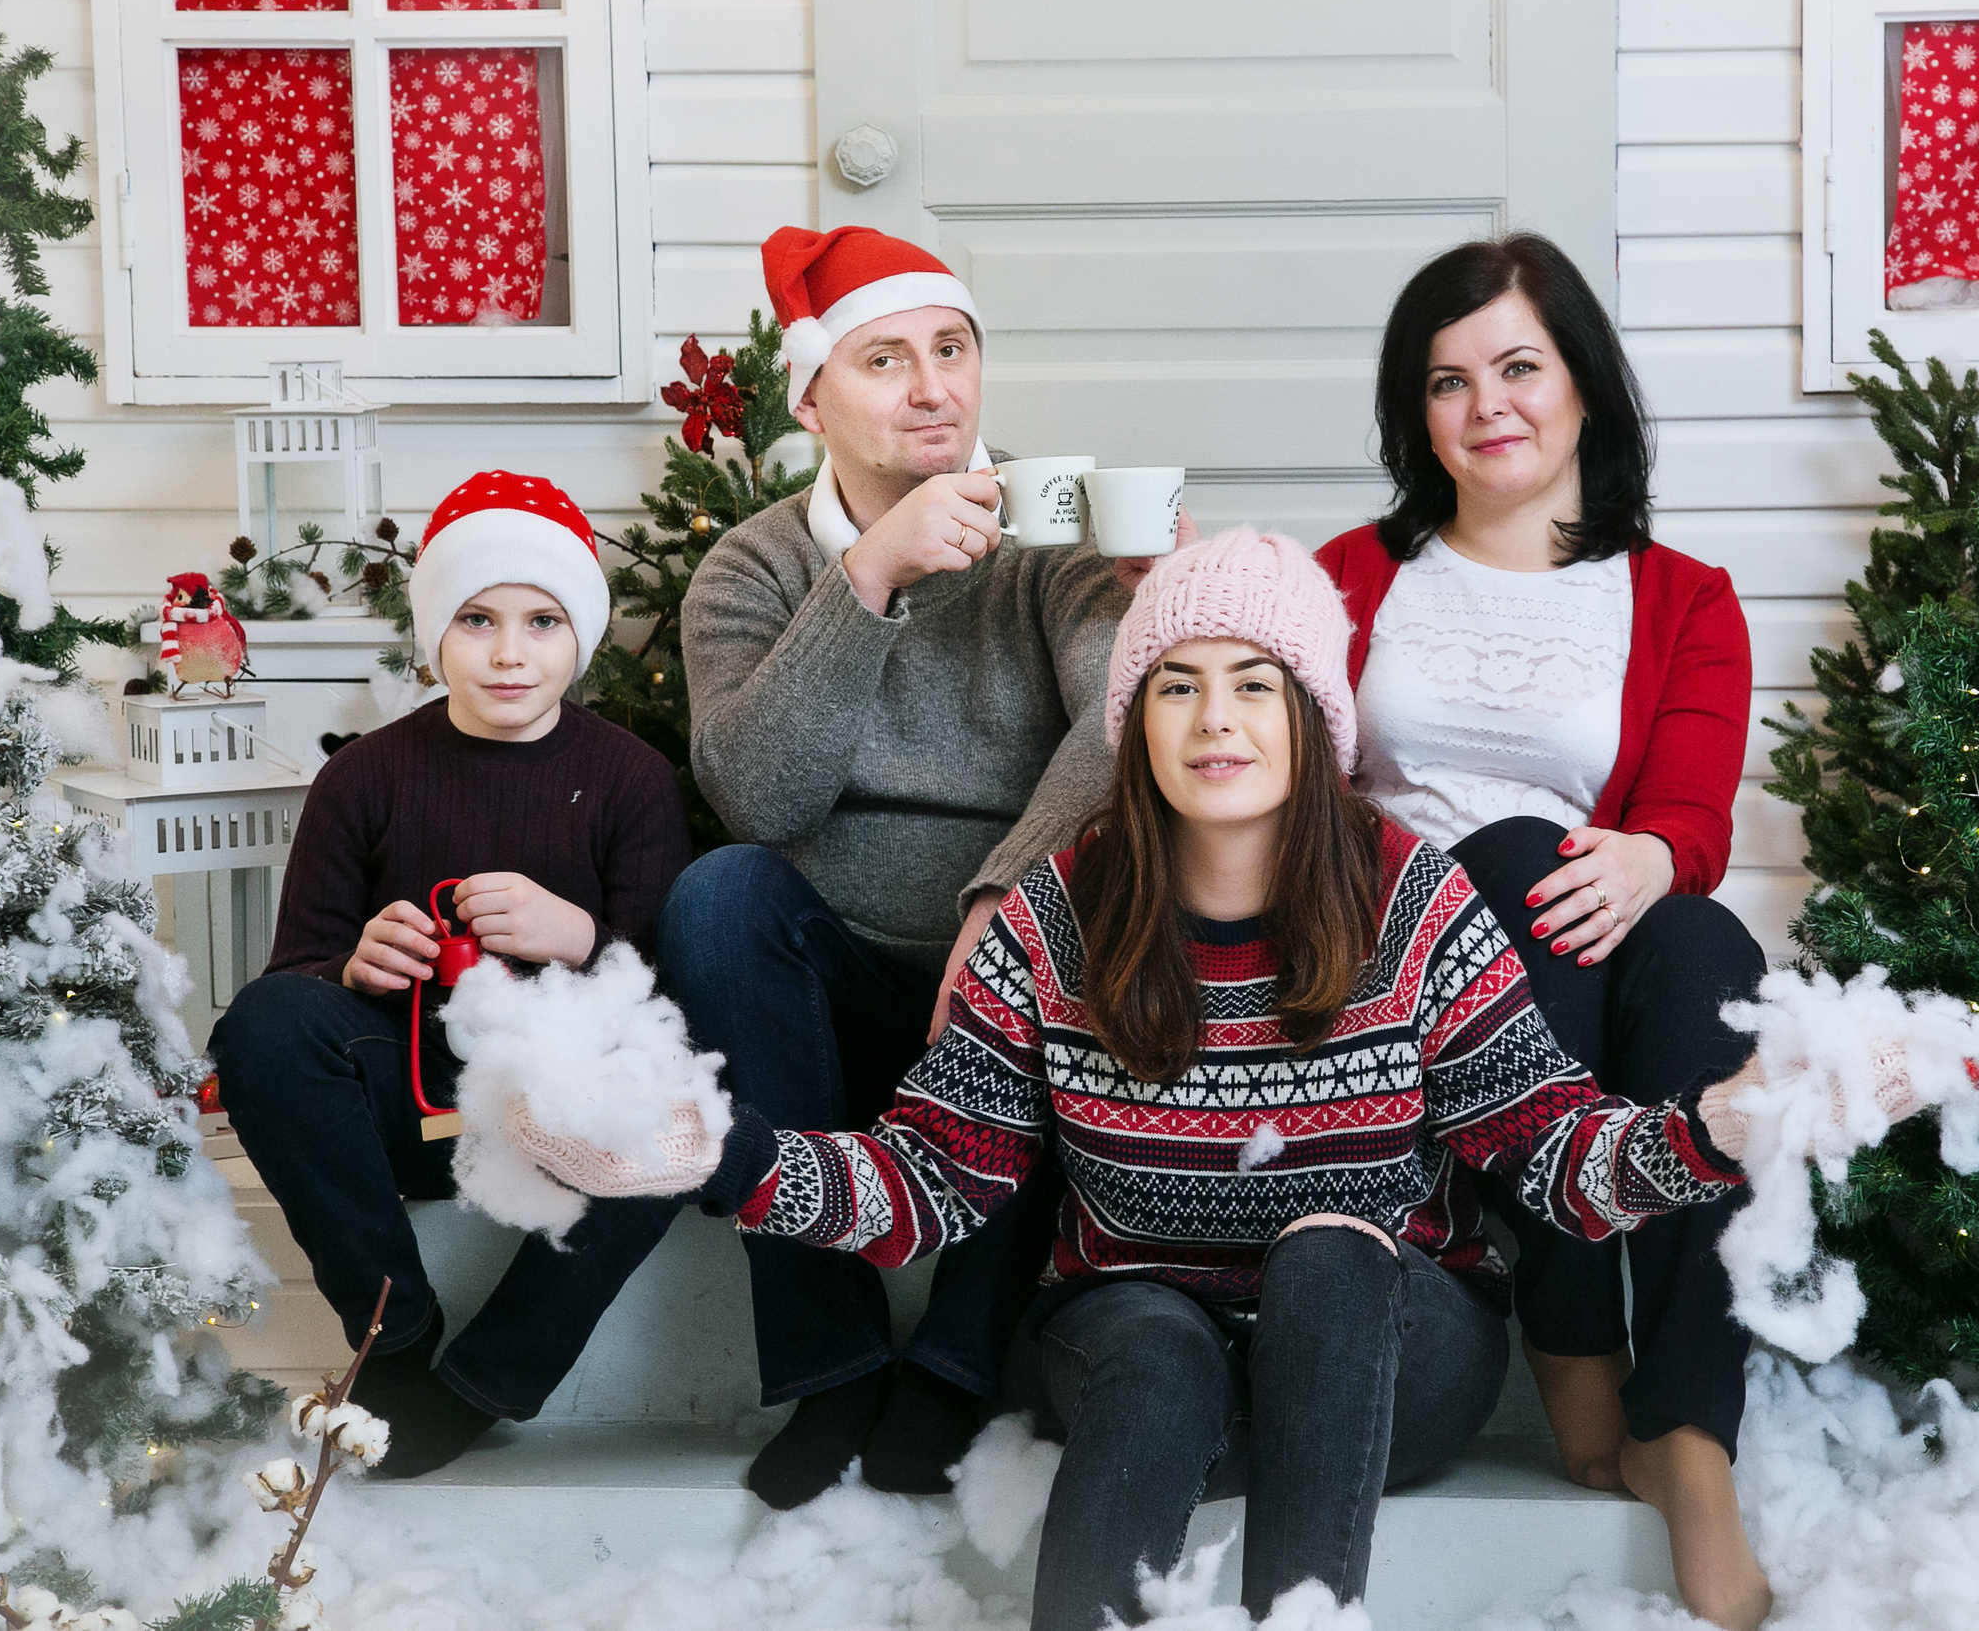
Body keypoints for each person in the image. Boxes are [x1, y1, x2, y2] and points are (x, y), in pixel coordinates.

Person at [517, 529, 1824, 1629]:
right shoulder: (1053, 921)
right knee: (1145, 1339)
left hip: (1388, 1347)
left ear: (1313, 720)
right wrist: (718, 1151)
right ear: (1135, 718)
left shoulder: (1412, 903)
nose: (1217, 720)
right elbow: (927, 1180)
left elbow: (1550, 1150)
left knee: (1329, 1246)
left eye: (1257, 684)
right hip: (1142, 1341)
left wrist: (1710, 1133)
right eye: (1179, 684)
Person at [1316, 232, 1770, 1630]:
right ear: (1418, 412)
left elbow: (1691, 818)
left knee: (1713, 956)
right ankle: (1576, 1338)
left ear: (1582, 387)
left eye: (1520, 365)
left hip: (1594, 933)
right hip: (1396, 964)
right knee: (1512, 852)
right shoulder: (1349, 571)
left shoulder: (1683, 596)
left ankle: (1685, 1433)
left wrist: (1648, 852)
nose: (1488, 404)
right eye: (1449, 380)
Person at [662, 225, 1142, 1509]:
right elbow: (759, 797)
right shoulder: (754, 568)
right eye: (885, 360)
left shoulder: (1060, 527)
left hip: (1016, 973)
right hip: (838, 983)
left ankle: (952, 1366)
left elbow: (1118, 730)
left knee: (1097, 928)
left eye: (951, 349)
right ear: (812, 396)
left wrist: (1005, 901)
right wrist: (866, 577)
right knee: (720, 896)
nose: (932, 387)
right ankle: (829, 1366)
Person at [212, 472, 691, 1478]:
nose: (510, 652)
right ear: (435, 630)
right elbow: (293, 976)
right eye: (477, 618)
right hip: (403, 1111)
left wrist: (577, 936)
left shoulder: (630, 778)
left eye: (542, 621)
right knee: (262, 1023)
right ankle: (391, 1330)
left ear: (582, 635)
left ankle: (488, 1379)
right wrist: (352, 965)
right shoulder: (365, 778)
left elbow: (663, 1005)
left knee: (670, 1116)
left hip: (559, 1119)